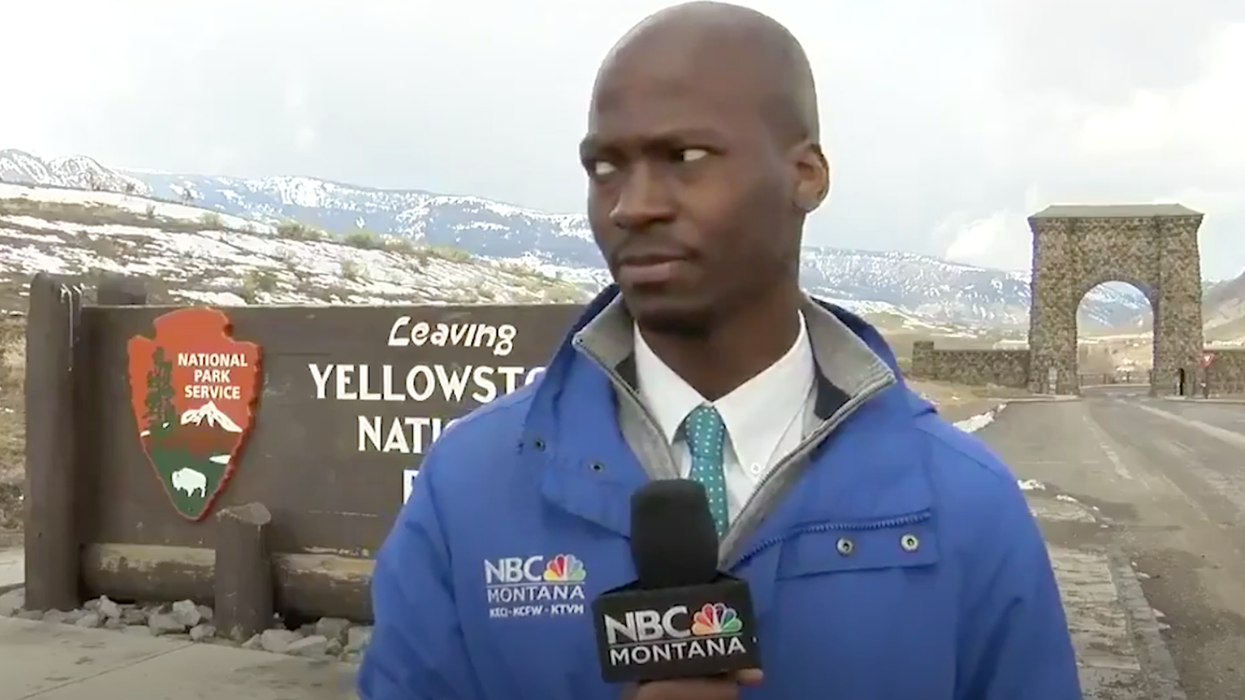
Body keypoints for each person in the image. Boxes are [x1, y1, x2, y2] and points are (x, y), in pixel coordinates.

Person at [358, 2, 1082, 699]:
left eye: (685, 155)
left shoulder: (964, 506)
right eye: (605, 167)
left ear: (806, 175)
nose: (631, 205)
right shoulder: (467, 490)